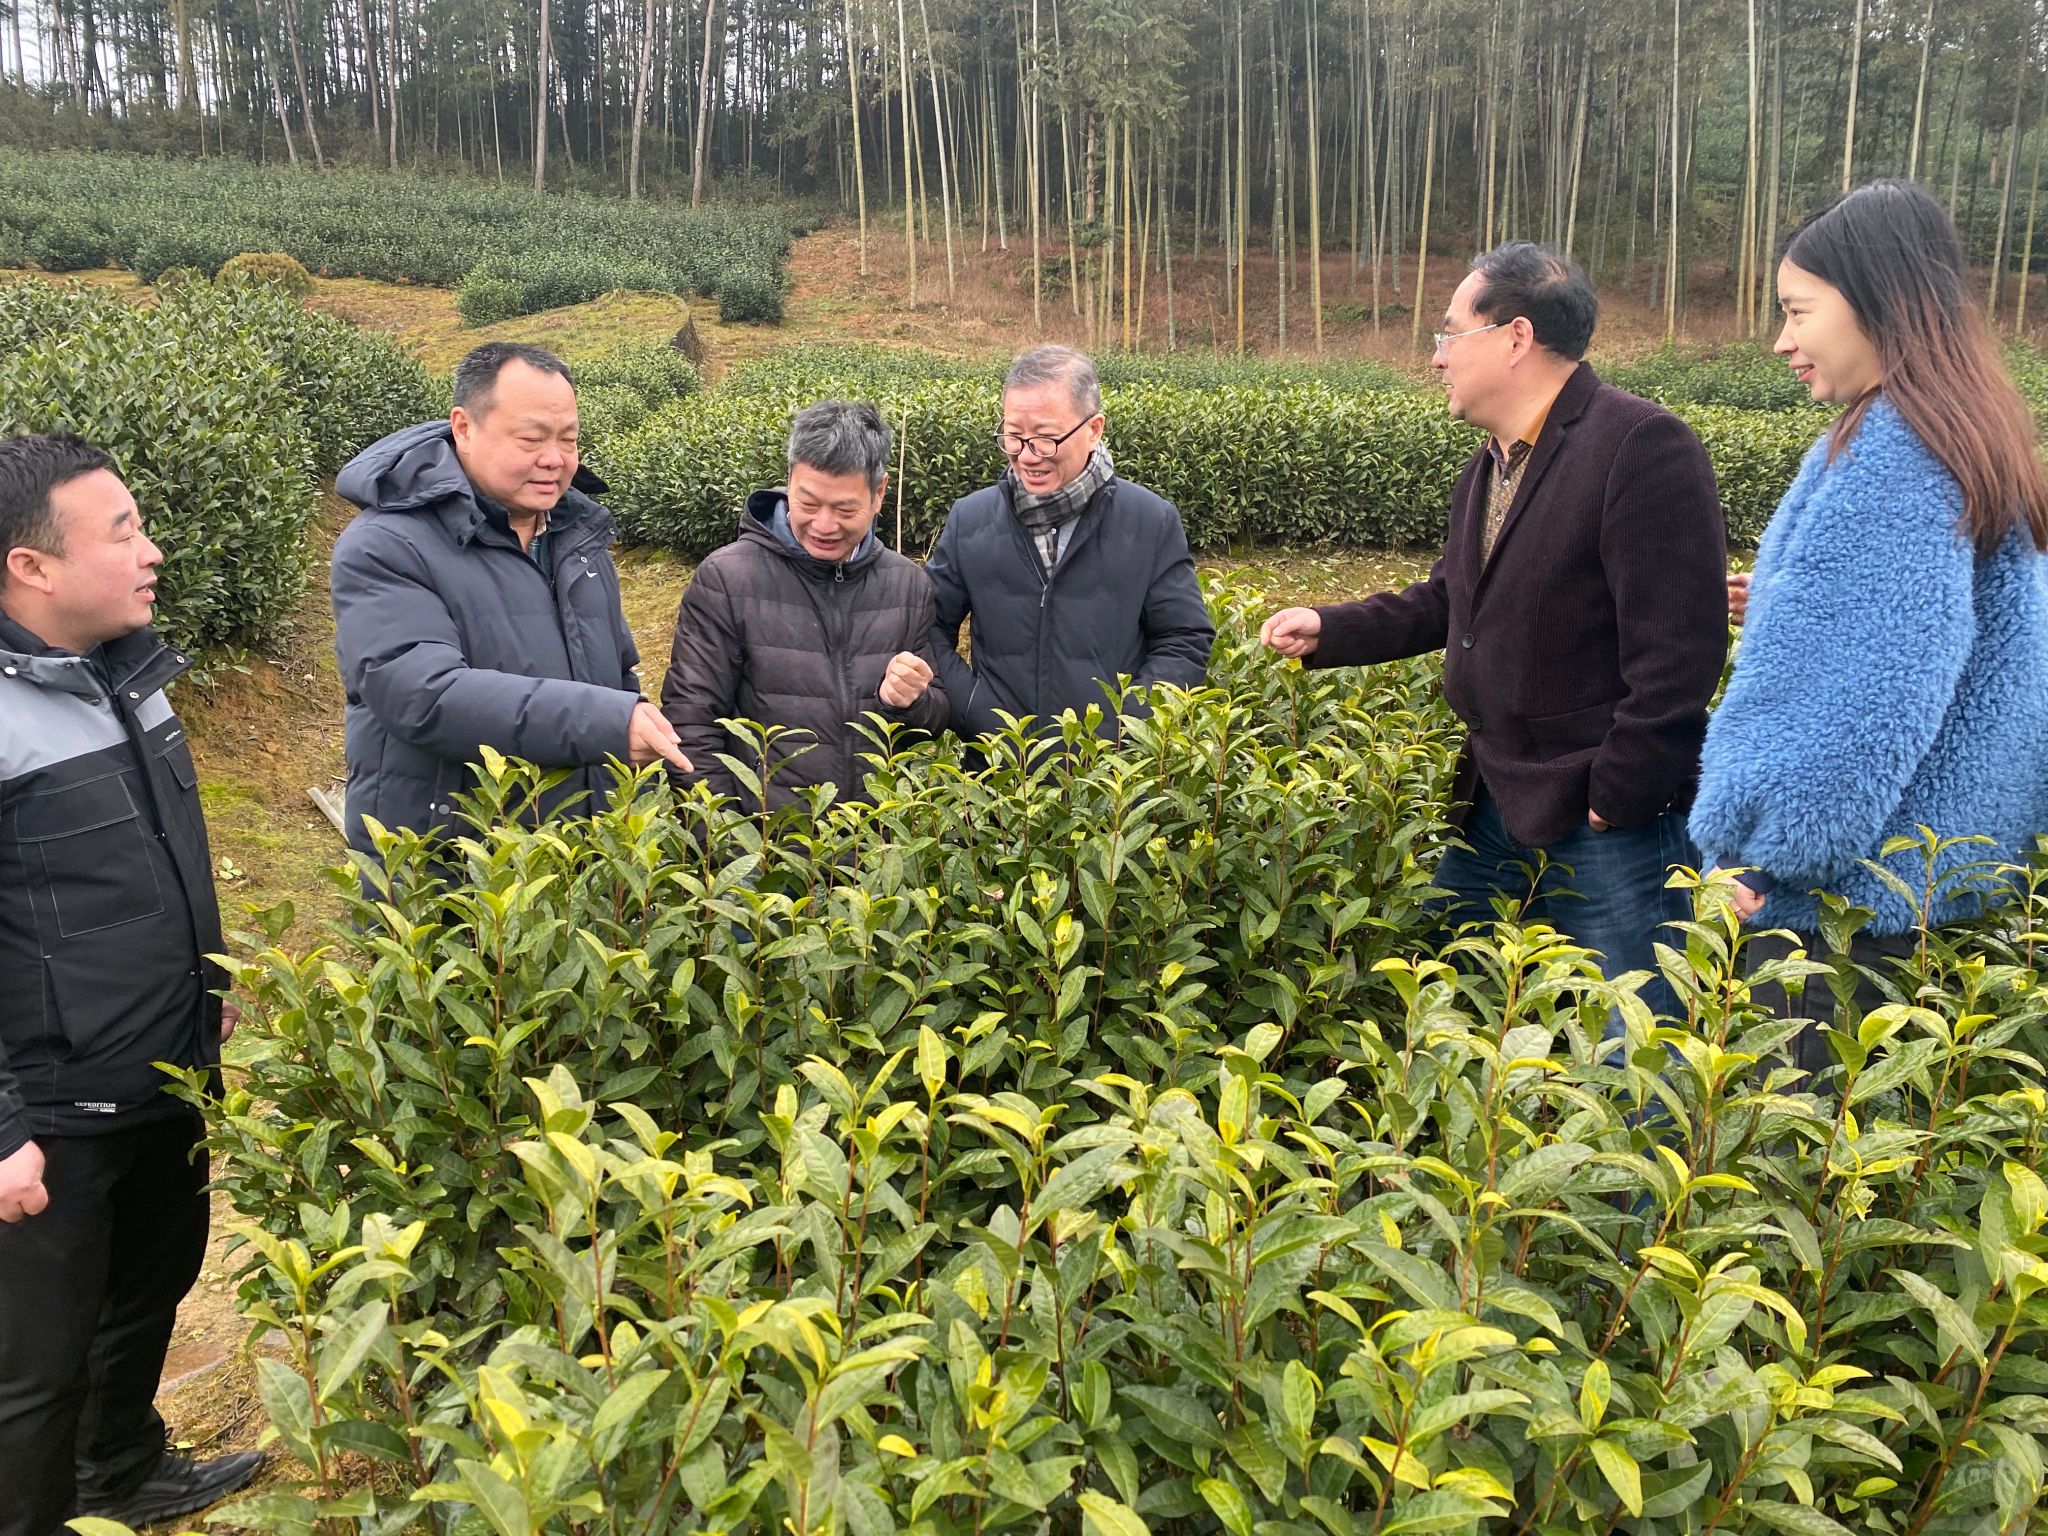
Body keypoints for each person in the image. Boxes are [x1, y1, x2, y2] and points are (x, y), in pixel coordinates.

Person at [1260, 242, 1727, 1013]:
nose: (1437, 357)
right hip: (1495, 797)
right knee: (1450, 1010)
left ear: (1516, 337)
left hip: (1603, 814)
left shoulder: (1640, 445)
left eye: (1450, 333)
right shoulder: (1490, 465)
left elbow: (1681, 652)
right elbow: (1456, 599)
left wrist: (1618, 796)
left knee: (1633, 1041)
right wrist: (1329, 627)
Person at [1689, 180, 2048, 1072]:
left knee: (1775, 1148)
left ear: (1879, 303)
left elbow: (1866, 697)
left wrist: (1762, 853)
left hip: (1832, 919)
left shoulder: (1895, 453)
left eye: (1797, 311)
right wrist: (1788, 600)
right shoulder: (1965, 430)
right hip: (1928, 890)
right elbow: (1950, 648)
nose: (1782, 340)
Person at [0, 435, 262, 1534]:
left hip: (164, 1068)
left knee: (150, 1288)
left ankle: (120, 1471)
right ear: (31, 567)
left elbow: (150, 857)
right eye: (124, 534)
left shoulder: (129, 671)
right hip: (53, 1110)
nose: (152, 552)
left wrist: (204, 981)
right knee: (34, 1367)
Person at [331, 342, 689, 861]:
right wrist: (605, 723)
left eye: (569, 439)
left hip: (574, 859)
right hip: (452, 861)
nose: (554, 459)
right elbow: (423, 696)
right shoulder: (386, 545)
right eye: (531, 439)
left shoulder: (577, 538)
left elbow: (616, 677)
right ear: (463, 427)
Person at [661, 401, 948, 810]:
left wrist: (914, 701)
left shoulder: (907, 584)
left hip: (871, 836)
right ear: (790, 480)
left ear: (879, 492)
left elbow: (933, 721)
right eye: (809, 503)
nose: (824, 526)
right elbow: (691, 725)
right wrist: (729, 836)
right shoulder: (728, 579)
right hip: (768, 835)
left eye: (845, 509)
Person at [924, 345, 1214, 740]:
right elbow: (928, 627)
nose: (1028, 456)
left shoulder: (1149, 521)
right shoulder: (970, 520)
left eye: (1046, 438)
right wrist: (973, 709)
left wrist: (1126, 726)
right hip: (1001, 762)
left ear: (1093, 430)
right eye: (1014, 436)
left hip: (1110, 769)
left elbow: (1184, 639)